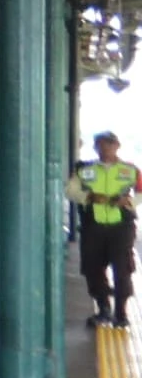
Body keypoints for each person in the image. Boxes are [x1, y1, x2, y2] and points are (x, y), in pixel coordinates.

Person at [78, 133, 137, 328]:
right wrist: (90, 198)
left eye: (109, 145)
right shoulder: (86, 170)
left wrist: (128, 202)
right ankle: (103, 308)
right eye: (101, 145)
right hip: (93, 226)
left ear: (117, 146)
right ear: (95, 148)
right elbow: (71, 190)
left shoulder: (129, 170)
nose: (105, 149)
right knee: (93, 268)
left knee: (122, 269)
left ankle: (121, 312)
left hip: (121, 227)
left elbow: (141, 191)